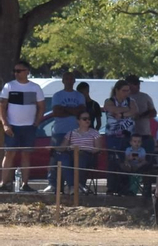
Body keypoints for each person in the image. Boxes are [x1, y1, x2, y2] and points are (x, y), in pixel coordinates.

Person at [2, 60, 45, 191]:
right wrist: (5, 124)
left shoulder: (35, 87)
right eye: (15, 71)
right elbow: (2, 106)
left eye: (19, 71)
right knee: (9, 153)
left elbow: (41, 107)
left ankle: (25, 184)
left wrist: (36, 122)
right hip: (12, 126)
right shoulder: (9, 86)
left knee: (26, 154)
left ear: (27, 72)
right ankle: (4, 183)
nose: (16, 73)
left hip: (29, 127)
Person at [55, 110, 103, 197]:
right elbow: (62, 147)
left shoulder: (94, 133)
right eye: (84, 119)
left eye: (89, 119)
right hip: (71, 154)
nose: (87, 120)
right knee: (63, 159)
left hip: (87, 155)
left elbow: (98, 148)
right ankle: (74, 185)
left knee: (81, 157)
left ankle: (75, 186)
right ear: (78, 121)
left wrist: (83, 149)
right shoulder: (71, 133)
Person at [46, 69, 84, 140]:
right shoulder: (57, 95)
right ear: (63, 81)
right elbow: (57, 113)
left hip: (76, 132)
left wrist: (64, 108)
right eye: (67, 79)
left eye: (71, 79)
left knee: (75, 151)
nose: (69, 81)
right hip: (59, 132)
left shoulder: (80, 96)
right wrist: (74, 111)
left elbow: (80, 113)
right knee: (59, 151)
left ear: (74, 81)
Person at [124, 75, 157, 147]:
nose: (138, 85)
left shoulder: (145, 97)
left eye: (138, 83)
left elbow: (153, 113)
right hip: (127, 134)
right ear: (128, 85)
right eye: (135, 84)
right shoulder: (122, 98)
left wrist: (142, 116)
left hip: (144, 134)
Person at [120, 133, 154, 198]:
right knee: (125, 167)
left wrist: (139, 159)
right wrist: (129, 159)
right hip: (129, 165)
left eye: (139, 142)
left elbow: (144, 160)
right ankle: (125, 190)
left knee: (142, 166)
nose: (137, 143)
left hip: (139, 166)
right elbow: (126, 159)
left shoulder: (142, 150)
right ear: (130, 142)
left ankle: (133, 191)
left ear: (141, 143)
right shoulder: (128, 149)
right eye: (135, 141)